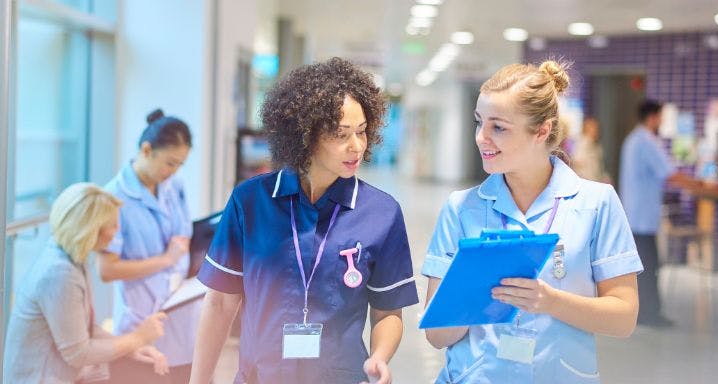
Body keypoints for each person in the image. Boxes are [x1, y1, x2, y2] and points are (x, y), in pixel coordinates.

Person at [189, 57, 419, 384]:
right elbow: (220, 304)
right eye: (341, 134)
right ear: (305, 135)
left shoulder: (381, 213)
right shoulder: (250, 202)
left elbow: (388, 312)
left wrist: (380, 356)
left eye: (362, 132)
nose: (356, 146)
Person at [421, 61, 643, 383]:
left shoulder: (597, 203)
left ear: (541, 130)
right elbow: (436, 336)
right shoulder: (461, 209)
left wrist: (550, 301)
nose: (481, 138)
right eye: (479, 122)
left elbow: (624, 318)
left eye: (498, 127)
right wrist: (471, 290)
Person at [3, 183, 168, 384]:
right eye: (114, 225)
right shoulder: (59, 273)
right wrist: (137, 338)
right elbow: (78, 353)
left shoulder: (71, 258)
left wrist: (131, 347)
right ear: (92, 229)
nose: (117, 233)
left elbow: (84, 329)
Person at [100, 109, 197, 383]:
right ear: (146, 150)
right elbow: (106, 269)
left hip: (181, 318)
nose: (174, 171)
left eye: (180, 164)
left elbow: (184, 237)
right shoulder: (114, 197)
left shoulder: (174, 185)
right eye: (169, 163)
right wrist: (165, 260)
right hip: (138, 325)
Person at [619, 99, 698, 327]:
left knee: (645, 268)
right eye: (661, 116)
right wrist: (699, 185)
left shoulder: (634, 139)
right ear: (653, 117)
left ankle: (645, 313)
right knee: (649, 268)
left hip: (636, 215)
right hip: (642, 218)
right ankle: (649, 315)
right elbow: (669, 174)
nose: (662, 121)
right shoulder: (646, 141)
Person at [572, 117, 611, 183]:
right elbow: (577, 163)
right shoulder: (582, 144)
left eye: (597, 128)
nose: (596, 131)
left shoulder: (597, 146)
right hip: (586, 184)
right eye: (593, 128)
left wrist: (605, 177)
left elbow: (600, 169)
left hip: (596, 183)